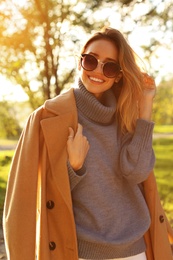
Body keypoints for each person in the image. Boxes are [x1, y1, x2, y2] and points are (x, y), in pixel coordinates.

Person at [3, 27, 173, 260]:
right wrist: (74, 167)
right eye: (91, 60)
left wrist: (145, 105)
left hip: (135, 251)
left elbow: (137, 173)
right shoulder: (46, 118)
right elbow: (21, 205)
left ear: (119, 75)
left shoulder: (125, 118)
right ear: (81, 62)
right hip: (81, 253)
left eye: (110, 66)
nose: (98, 71)